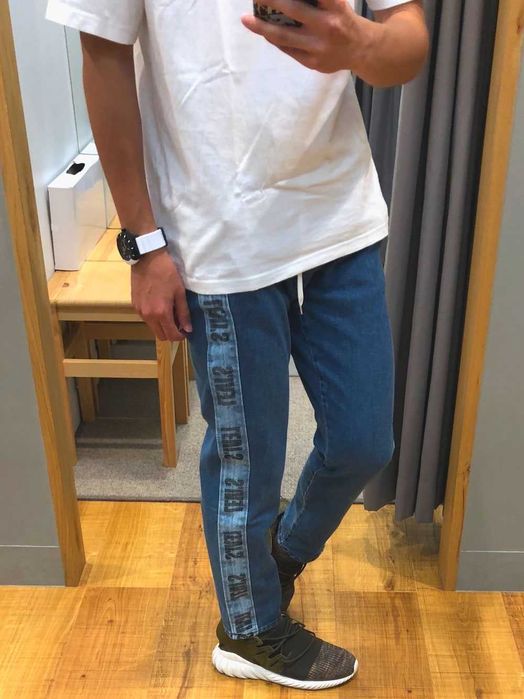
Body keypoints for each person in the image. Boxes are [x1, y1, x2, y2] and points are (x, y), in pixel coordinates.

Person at [46, 0, 428, 690]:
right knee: (246, 461)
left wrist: (359, 44)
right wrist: (144, 244)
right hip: (217, 225)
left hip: (339, 213)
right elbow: (103, 55)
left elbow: (408, 39)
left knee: (363, 440)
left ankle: (280, 554)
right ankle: (248, 630)